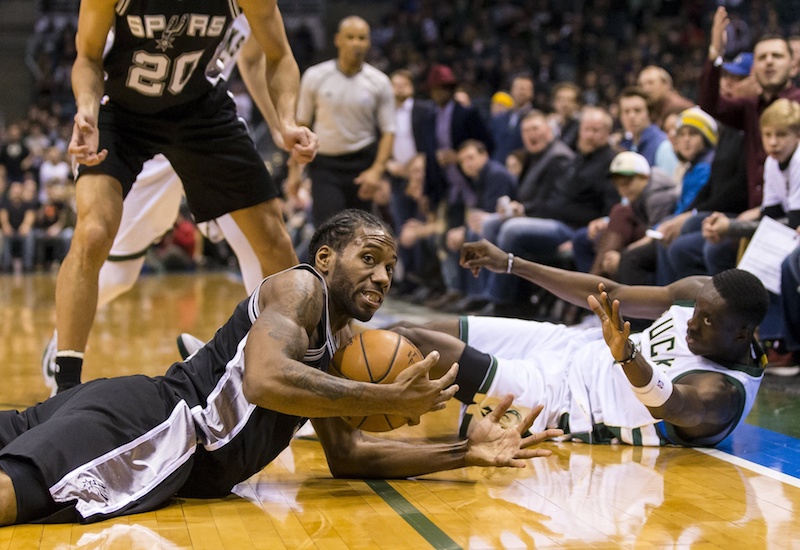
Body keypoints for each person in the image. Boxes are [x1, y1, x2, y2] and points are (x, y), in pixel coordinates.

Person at [0, 210, 560, 525]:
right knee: (16, 493)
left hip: (123, 410)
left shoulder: (342, 343)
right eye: (369, 259)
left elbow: (349, 456)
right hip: (157, 425)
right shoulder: (300, 288)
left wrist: (465, 452)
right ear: (325, 259)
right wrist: (385, 401)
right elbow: (264, 379)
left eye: (390, 267)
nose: (384, 277)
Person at [56, 0, 317, 393]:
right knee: (93, 234)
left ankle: (297, 371)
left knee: (274, 241)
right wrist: (86, 112)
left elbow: (278, 55)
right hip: (122, 113)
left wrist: (286, 120)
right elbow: (88, 57)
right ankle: (65, 385)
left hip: (199, 112)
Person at [393, 238, 769, 447]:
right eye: (696, 309)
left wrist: (628, 357)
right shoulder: (700, 293)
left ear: (741, 333)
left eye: (706, 319)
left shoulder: (723, 394)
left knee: (416, 344)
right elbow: (612, 291)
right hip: (572, 344)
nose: (692, 322)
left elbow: (672, 405)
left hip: (564, 400)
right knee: (409, 328)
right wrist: (512, 263)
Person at [291, 15, 396, 226]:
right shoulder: (315, 76)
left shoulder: (380, 82)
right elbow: (301, 126)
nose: (356, 43)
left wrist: (376, 171)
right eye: (350, 37)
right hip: (324, 166)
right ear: (338, 40)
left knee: (357, 234)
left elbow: (388, 131)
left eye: (362, 38)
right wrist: (294, 172)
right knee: (327, 231)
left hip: (362, 164)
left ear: (369, 42)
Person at [699, 6, 800, 212]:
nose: (769, 61)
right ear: (754, 70)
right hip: (758, 213)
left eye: (777, 56)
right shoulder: (750, 107)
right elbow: (711, 104)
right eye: (762, 58)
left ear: (793, 66)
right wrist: (715, 53)